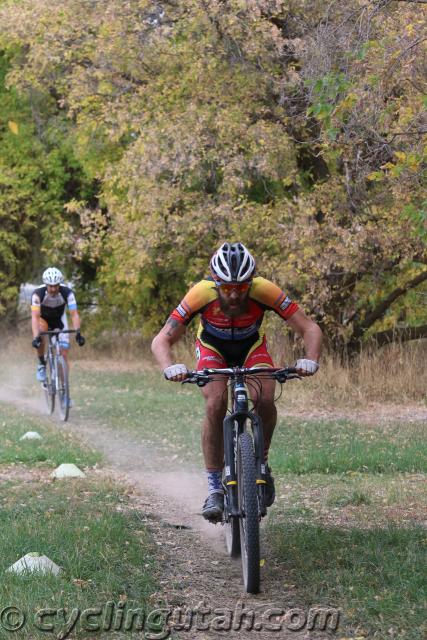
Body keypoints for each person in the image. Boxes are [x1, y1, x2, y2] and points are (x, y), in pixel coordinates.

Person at [151, 242, 322, 522]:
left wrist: (311, 359)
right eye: (227, 288)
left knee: (265, 398)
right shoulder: (200, 293)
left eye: (241, 288)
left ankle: (262, 466)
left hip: (252, 346)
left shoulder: (264, 290)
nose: (233, 294)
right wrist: (169, 367)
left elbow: (309, 328)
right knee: (216, 402)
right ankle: (215, 487)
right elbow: (162, 339)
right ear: (215, 283)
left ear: (250, 282)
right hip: (212, 349)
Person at [31, 267, 85, 385]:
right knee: (41, 333)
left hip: (59, 320)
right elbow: (35, 317)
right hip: (43, 319)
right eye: (50, 286)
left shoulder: (67, 293)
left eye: (56, 285)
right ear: (46, 284)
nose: (54, 289)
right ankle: (41, 364)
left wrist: (78, 333)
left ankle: (64, 388)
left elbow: (74, 314)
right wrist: (36, 337)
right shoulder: (37, 294)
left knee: (64, 354)